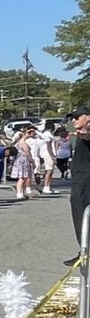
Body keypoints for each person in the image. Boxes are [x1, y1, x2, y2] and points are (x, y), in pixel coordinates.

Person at [65, 108, 90, 264]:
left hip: (85, 181)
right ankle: (84, 250)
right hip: (81, 180)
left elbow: (88, 135)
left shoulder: (86, 133)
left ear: (88, 117)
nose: (74, 121)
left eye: (77, 117)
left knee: (82, 215)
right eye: (72, 118)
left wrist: (85, 135)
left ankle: (85, 252)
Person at [11, 127, 36, 200]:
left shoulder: (22, 142)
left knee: (25, 177)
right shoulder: (22, 142)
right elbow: (27, 153)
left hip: (23, 160)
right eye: (27, 133)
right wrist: (32, 161)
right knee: (22, 177)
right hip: (23, 160)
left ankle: (22, 192)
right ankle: (19, 193)